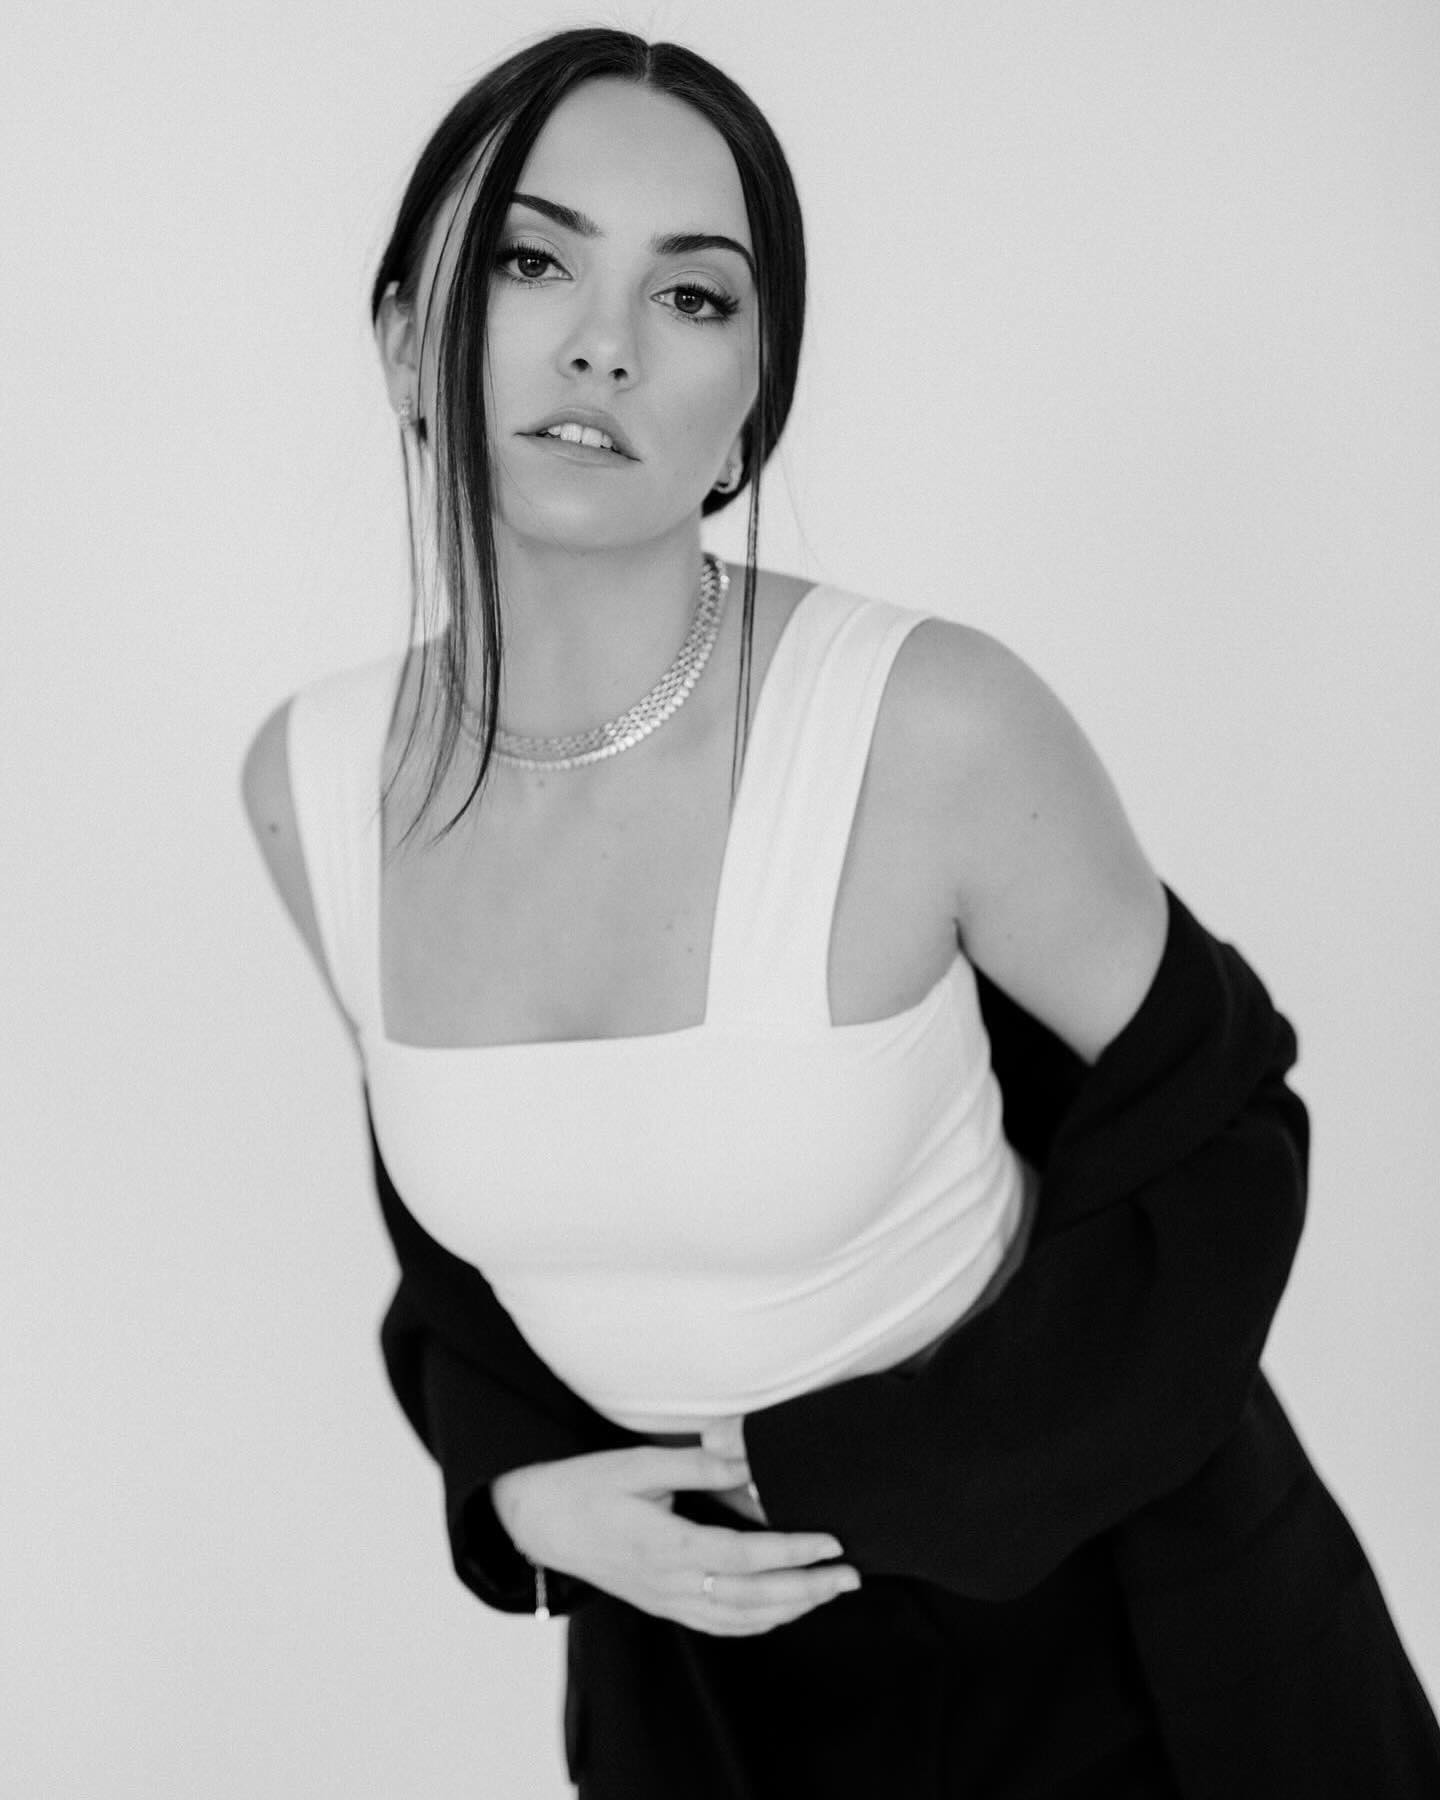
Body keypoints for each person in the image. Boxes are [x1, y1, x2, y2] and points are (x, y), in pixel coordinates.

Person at [242, 27, 1440, 1798]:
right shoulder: (313, 782)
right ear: (406, 330)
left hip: (1110, 1633)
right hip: (699, 1681)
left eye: (692, 297)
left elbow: (1222, 1130)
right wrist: (516, 1493)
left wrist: (872, 1476)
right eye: (530, 261)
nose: (603, 342)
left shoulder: (929, 726)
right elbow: (467, 1217)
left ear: (753, 400)